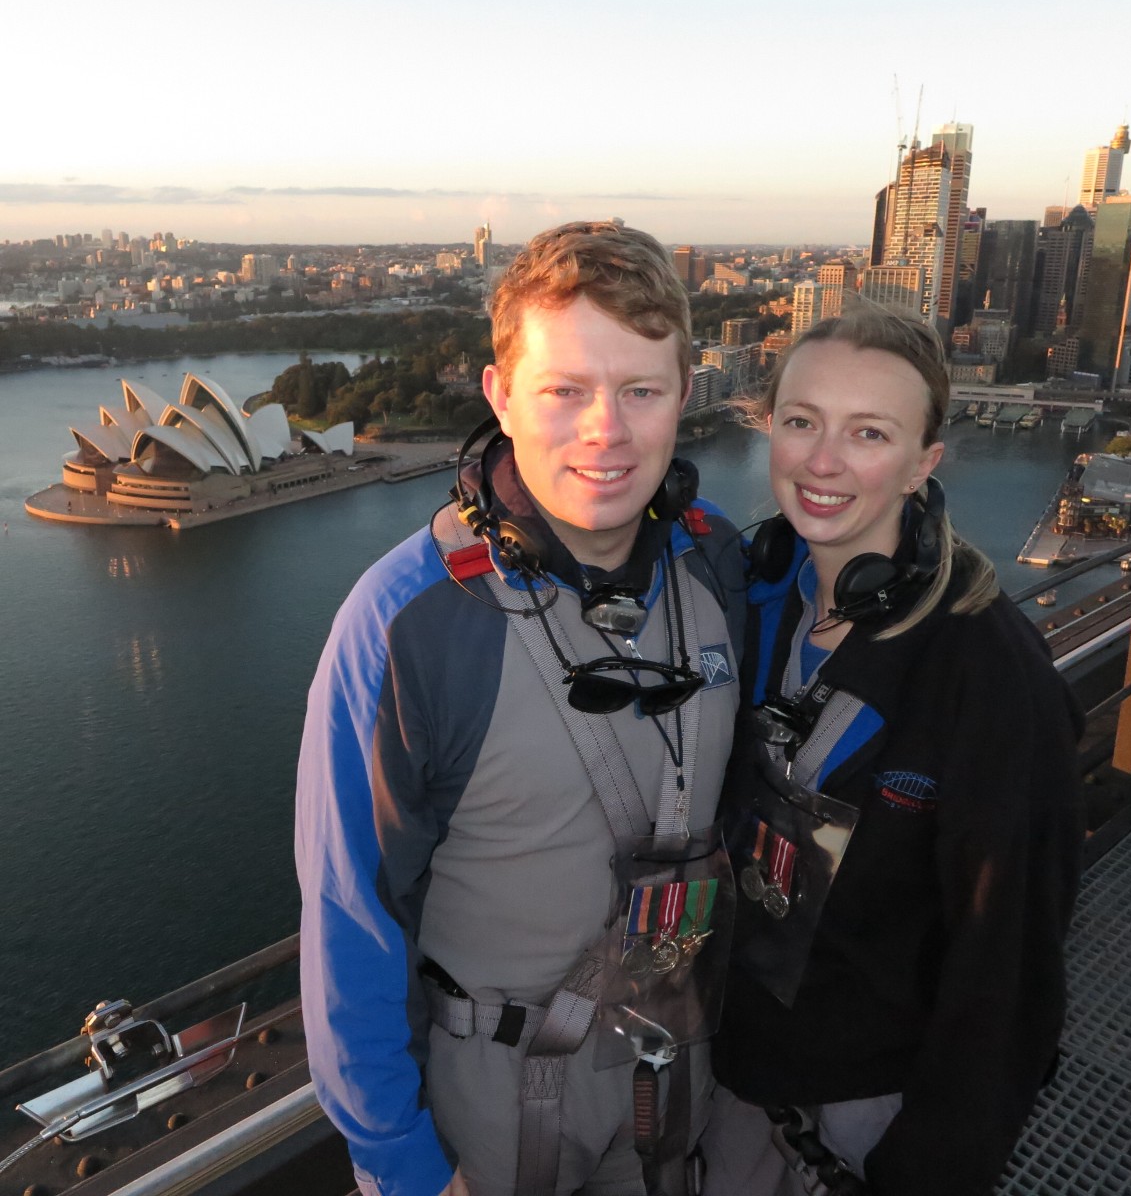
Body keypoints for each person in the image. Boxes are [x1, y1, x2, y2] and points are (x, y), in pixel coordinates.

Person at [295, 222, 744, 1196]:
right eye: (565, 390)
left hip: (674, 1070)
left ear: (686, 391)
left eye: (641, 390)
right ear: (501, 395)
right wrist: (407, 1172)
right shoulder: (407, 622)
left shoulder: (716, 562)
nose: (606, 431)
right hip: (488, 1107)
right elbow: (349, 920)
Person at [702, 306, 1085, 1196]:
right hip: (733, 1069)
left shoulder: (991, 679)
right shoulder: (756, 598)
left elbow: (1011, 970)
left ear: (923, 463)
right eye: (801, 422)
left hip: (866, 1113)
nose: (822, 461)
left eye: (868, 433)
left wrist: (933, 1166)